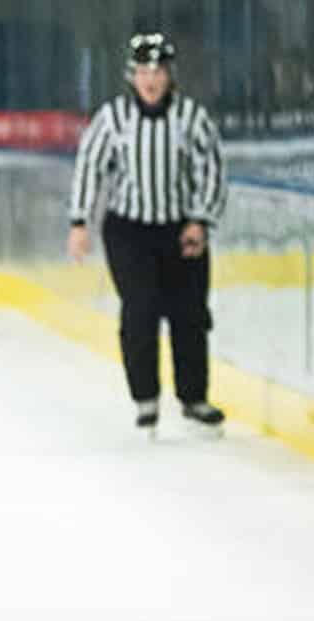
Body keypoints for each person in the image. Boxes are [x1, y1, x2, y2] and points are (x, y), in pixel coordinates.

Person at [68, 31, 227, 436]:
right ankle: (146, 399)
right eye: (142, 71)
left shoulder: (192, 118)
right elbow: (89, 164)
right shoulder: (113, 118)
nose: (150, 79)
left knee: (189, 314)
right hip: (129, 231)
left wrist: (199, 220)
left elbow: (212, 169)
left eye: (157, 71)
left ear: (170, 75)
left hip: (180, 230)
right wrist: (79, 222)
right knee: (140, 310)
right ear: (131, 76)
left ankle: (193, 398)